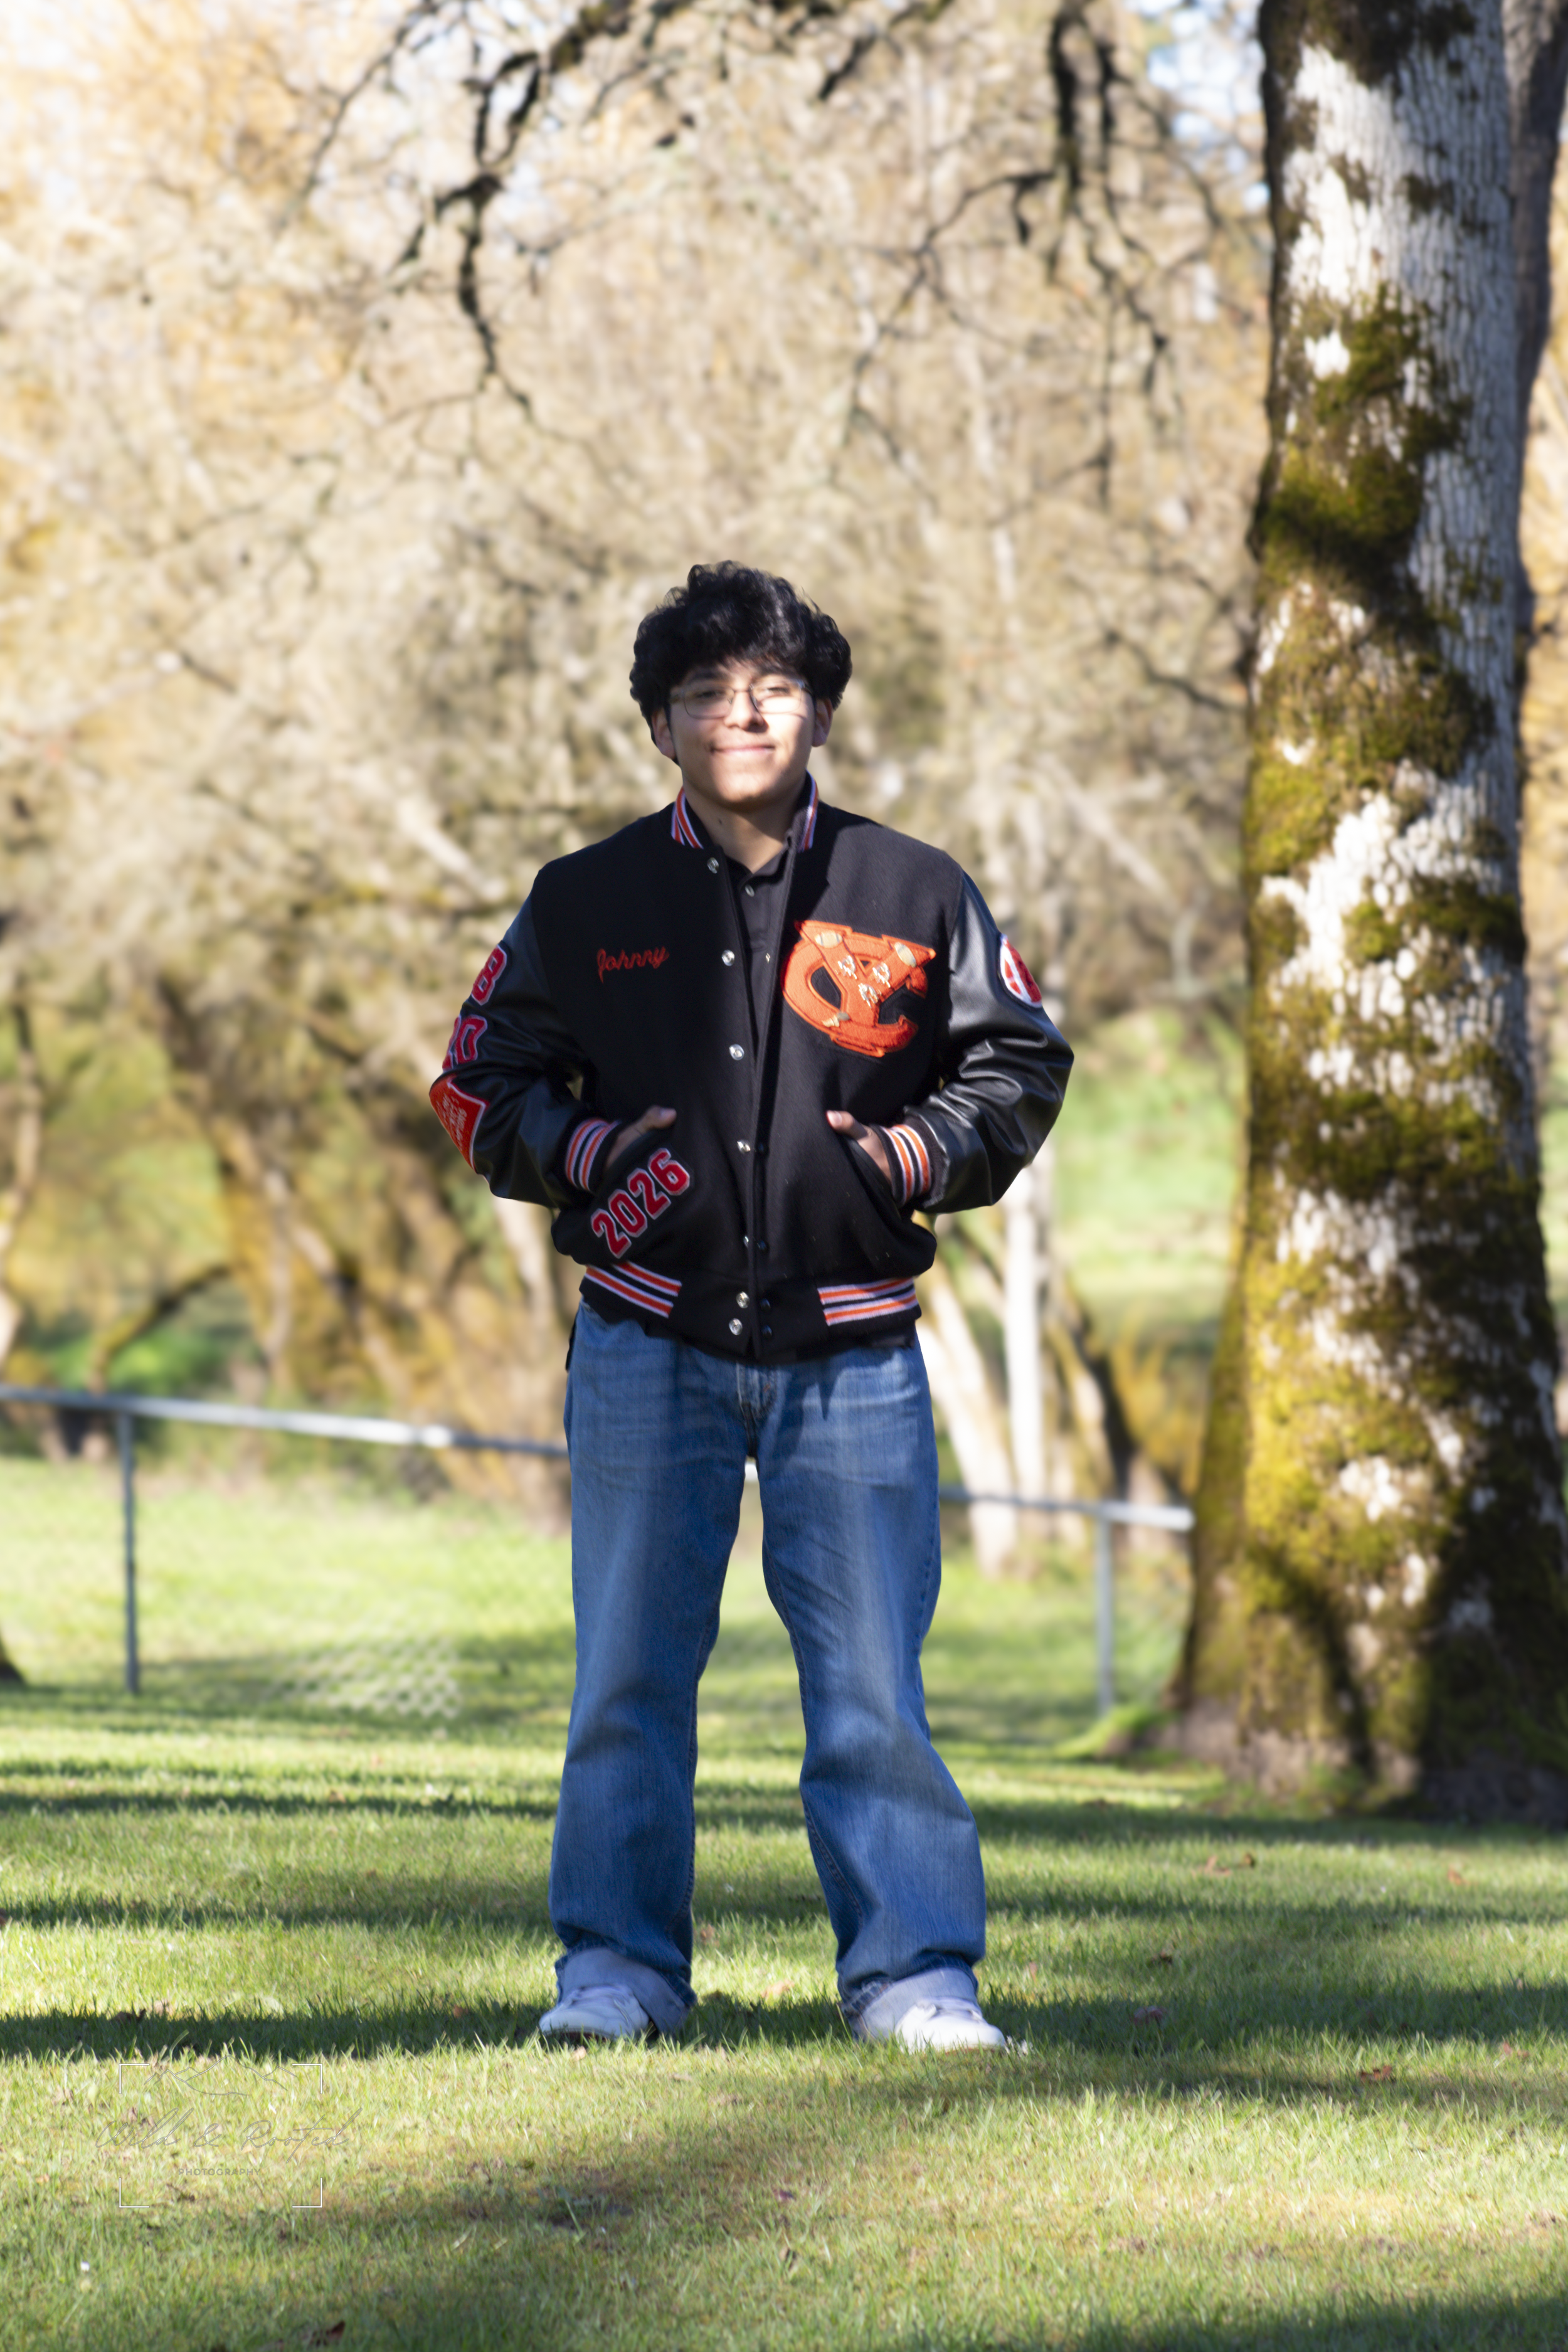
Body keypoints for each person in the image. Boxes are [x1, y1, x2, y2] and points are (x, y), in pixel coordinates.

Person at [429, 563, 1071, 2050]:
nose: (743, 713)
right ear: (662, 722)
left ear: (821, 712)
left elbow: (1018, 1063)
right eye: (709, 692)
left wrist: (921, 1152)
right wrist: (584, 1154)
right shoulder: (583, 903)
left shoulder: (914, 891)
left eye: (772, 688)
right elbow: (478, 1082)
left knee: (870, 1694)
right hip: (643, 1346)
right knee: (626, 1686)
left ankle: (915, 1980)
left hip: (853, 1355)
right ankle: (614, 1977)